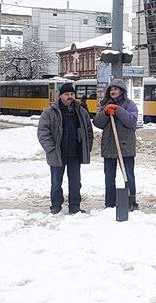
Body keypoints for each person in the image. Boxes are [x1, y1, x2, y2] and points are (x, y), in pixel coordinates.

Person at [37, 82, 94, 215]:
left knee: (75, 182)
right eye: (67, 94)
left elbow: (89, 132)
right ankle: (56, 206)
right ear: (60, 96)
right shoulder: (50, 112)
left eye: (72, 94)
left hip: (75, 153)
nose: (70, 96)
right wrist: (51, 149)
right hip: (58, 153)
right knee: (56, 182)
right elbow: (43, 133)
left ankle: (75, 206)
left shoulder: (81, 111)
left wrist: (87, 147)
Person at [93, 79, 139, 211]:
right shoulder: (104, 105)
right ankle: (109, 202)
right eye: (111, 89)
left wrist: (118, 110)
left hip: (125, 145)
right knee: (109, 176)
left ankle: (131, 201)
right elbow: (97, 122)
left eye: (116, 89)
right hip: (109, 145)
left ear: (122, 91)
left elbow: (131, 121)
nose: (113, 91)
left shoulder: (130, 105)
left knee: (128, 174)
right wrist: (106, 113)